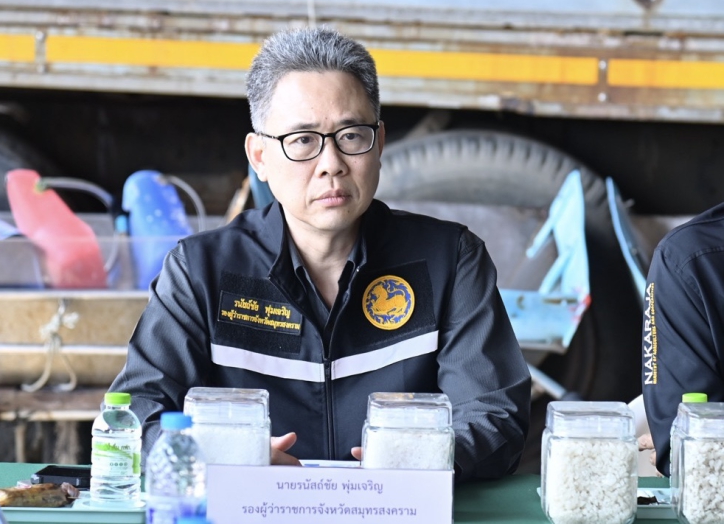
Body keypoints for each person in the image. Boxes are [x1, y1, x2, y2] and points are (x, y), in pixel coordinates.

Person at [109, 26, 531, 480]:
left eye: (351, 135)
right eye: (303, 140)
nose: (331, 163)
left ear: (379, 143)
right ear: (259, 157)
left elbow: (494, 414)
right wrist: (226, 459)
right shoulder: (202, 271)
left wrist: (418, 463)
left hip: (400, 507)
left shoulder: (450, 261)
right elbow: (135, 414)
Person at [640, 200, 724, 477]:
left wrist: (700, 448)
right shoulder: (691, 259)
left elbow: (697, 455)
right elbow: (687, 455)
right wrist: (695, 447)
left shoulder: (688, 257)